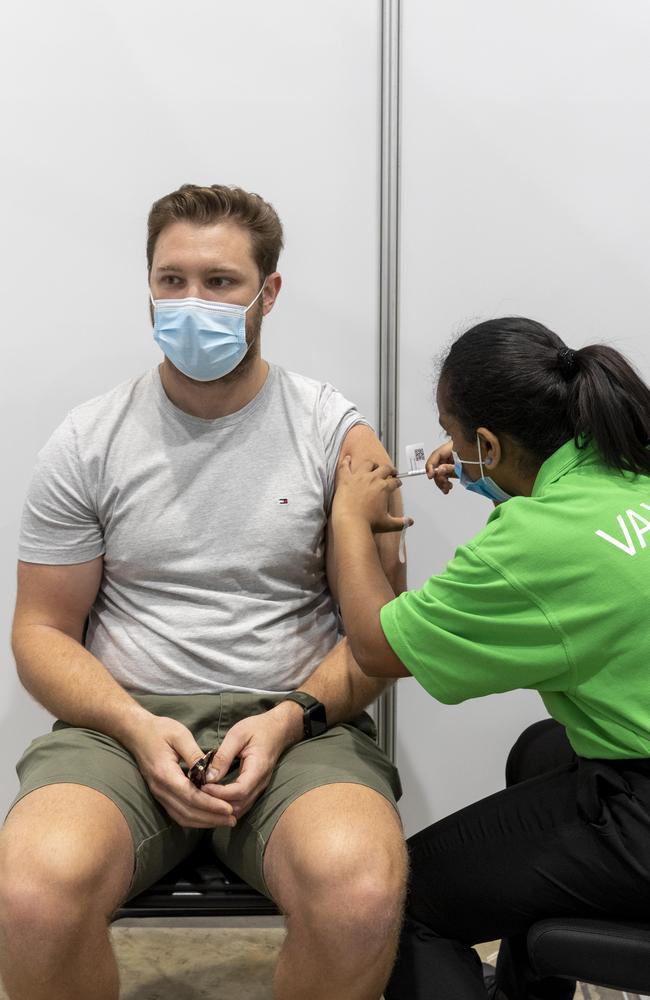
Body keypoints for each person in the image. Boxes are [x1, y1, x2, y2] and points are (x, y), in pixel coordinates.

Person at [0, 184, 407, 1000]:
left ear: (269, 292)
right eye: (171, 280)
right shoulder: (88, 441)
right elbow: (41, 631)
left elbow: (383, 638)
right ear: (147, 286)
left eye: (220, 282)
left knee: (359, 894)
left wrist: (289, 717)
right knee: (32, 895)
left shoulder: (339, 438)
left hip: (301, 722)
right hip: (122, 725)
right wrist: (132, 724)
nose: (193, 302)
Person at [328, 316, 650, 1000]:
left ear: (490, 444)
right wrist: (498, 481)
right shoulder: (628, 467)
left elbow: (377, 646)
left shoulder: (538, 541)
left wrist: (350, 520)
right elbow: (569, 556)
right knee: (543, 751)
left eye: (454, 437)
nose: (447, 452)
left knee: (405, 901)